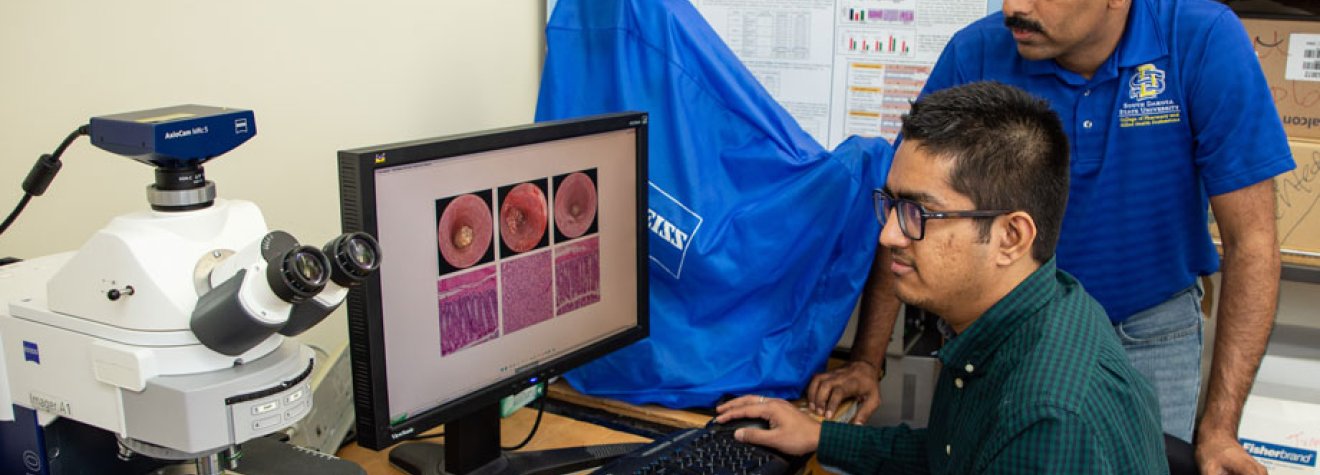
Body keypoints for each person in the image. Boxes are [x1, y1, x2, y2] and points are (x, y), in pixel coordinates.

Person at [808, 0, 1295, 472]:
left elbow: (1251, 240)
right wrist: (867, 364)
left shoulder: (1200, 38)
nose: (1012, 8)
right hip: (1001, 332)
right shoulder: (976, 51)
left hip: (1147, 329)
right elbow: (909, 210)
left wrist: (1219, 430)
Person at [723, 81, 1167, 474]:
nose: (889, 234)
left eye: (918, 213)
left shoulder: (1046, 417)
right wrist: (822, 437)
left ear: (1010, 236)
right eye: (891, 204)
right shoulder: (1033, 310)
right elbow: (952, 456)